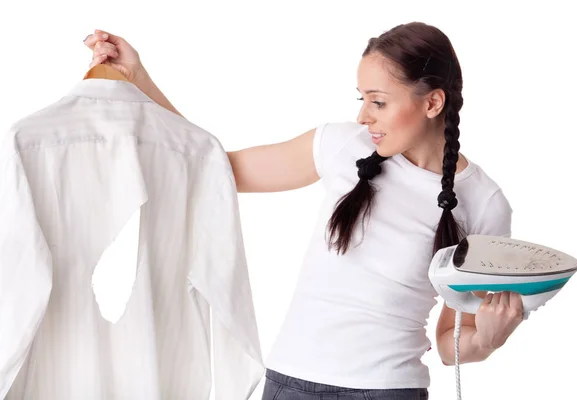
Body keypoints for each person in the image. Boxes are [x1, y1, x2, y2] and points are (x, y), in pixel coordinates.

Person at [83, 21, 524, 400]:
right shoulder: (341, 146)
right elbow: (211, 169)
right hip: (288, 383)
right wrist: (138, 77)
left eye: (379, 101)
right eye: (361, 99)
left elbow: (449, 344)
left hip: (388, 390)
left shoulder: (484, 203)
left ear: (432, 103)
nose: (364, 117)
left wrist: (488, 338)